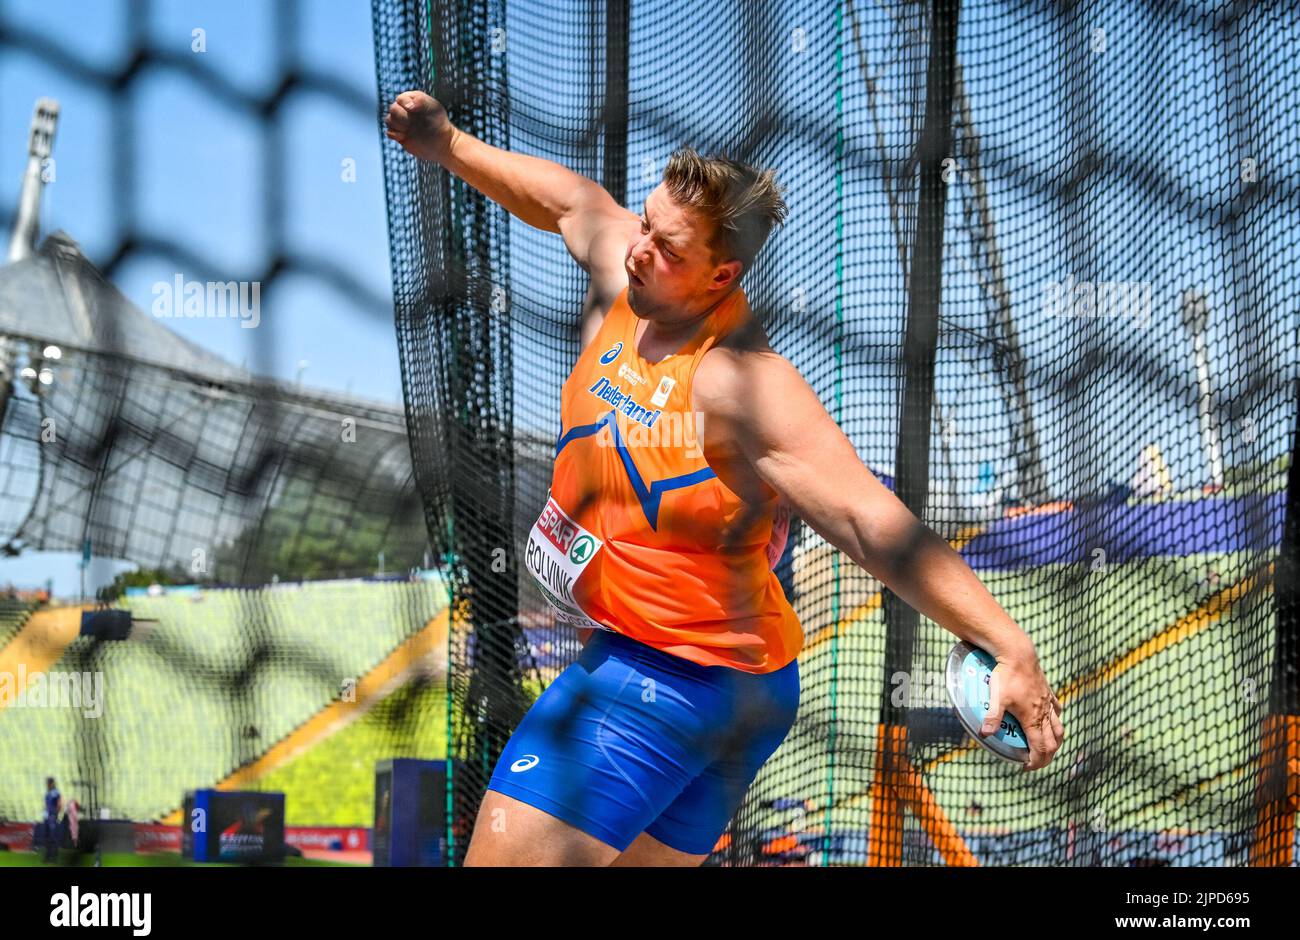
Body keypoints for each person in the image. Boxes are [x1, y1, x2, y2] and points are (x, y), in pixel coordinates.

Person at [385, 92, 1065, 867]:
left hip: (660, 679)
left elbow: (868, 519)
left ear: (722, 275)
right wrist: (448, 145)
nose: (641, 249)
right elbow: (570, 200)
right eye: (645, 225)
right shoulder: (632, 279)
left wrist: (1006, 642)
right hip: (735, 687)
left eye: (669, 249)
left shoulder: (740, 382)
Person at [42, 777, 61, 862]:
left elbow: (59, 804)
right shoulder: (47, 792)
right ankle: (47, 856)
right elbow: (46, 805)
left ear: (52, 783)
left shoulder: (56, 792)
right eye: (47, 783)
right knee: (46, 837)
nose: (48, 784)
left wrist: (55, 814)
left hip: (52, 817)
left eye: (49, 783)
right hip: (47, 817)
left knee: (53, 837)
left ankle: (54, 857)